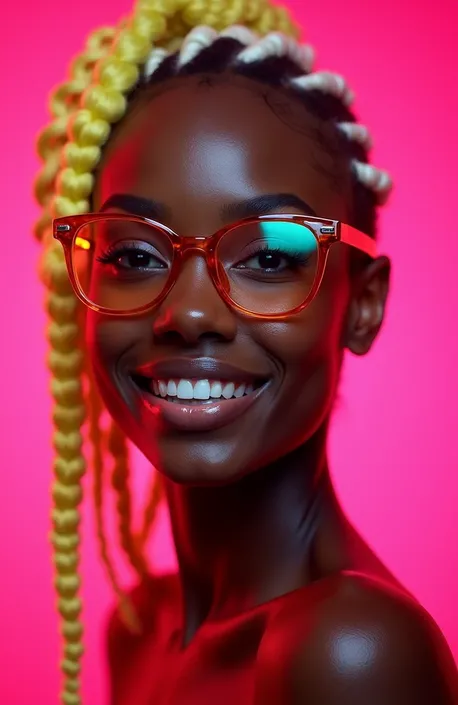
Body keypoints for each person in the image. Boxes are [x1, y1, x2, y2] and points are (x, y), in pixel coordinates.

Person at [33, 0, 458, 703]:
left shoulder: (351, 651)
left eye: (267, 255)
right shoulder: (141, 627)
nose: (187, 311)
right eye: (135, 253)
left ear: (362, 303)